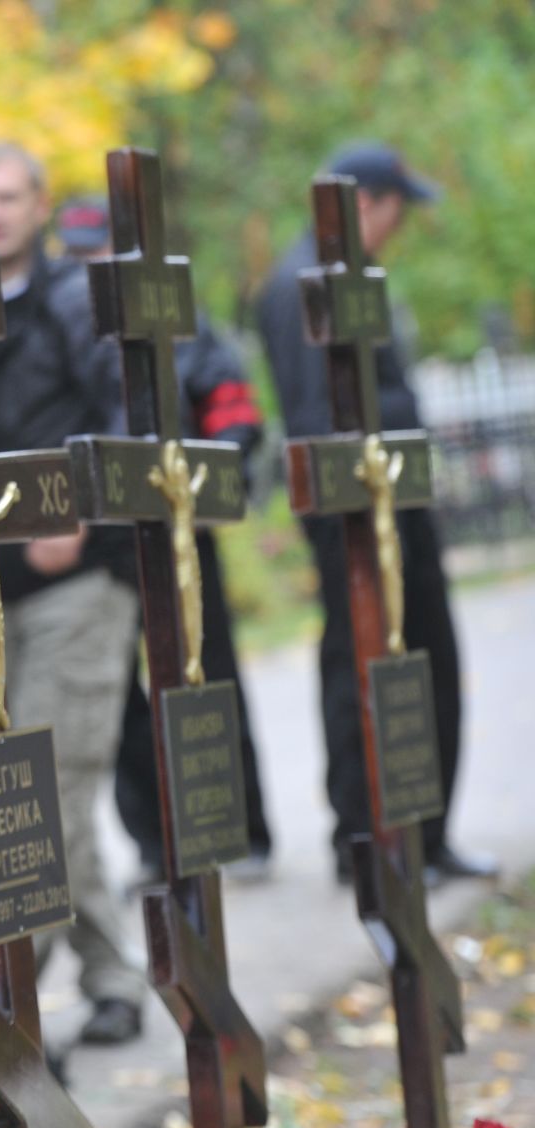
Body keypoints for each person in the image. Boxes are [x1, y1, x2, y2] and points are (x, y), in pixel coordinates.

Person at [0, 141, 147, 1044]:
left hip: (78, 586)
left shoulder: (77, 300)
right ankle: (114, 977)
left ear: (39, 204)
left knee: (37, 789)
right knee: (35, 782)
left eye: (5, 197)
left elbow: (125, 419)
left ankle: (15, 991)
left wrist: (85, 519)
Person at [255, 142, 489, 886]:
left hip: (395, 509)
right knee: (361, 673)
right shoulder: (302, 285)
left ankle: (424, 833)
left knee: (426, 666)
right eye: (395, 209)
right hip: (356, 520)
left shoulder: (348, 279)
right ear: (364, 204)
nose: (399, 226)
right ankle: (367, 840)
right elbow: (318, 418)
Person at [50, 197, 276, 887]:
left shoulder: (183, 327)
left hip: (177, 530)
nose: (93, 269)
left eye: (102, 254)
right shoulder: (56, 325)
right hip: (98, 544)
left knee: (209, 680)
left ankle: (241, 829)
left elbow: (235, 412)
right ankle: (156, 843)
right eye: (81, 255)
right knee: (116, 700)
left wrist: (204, 486)